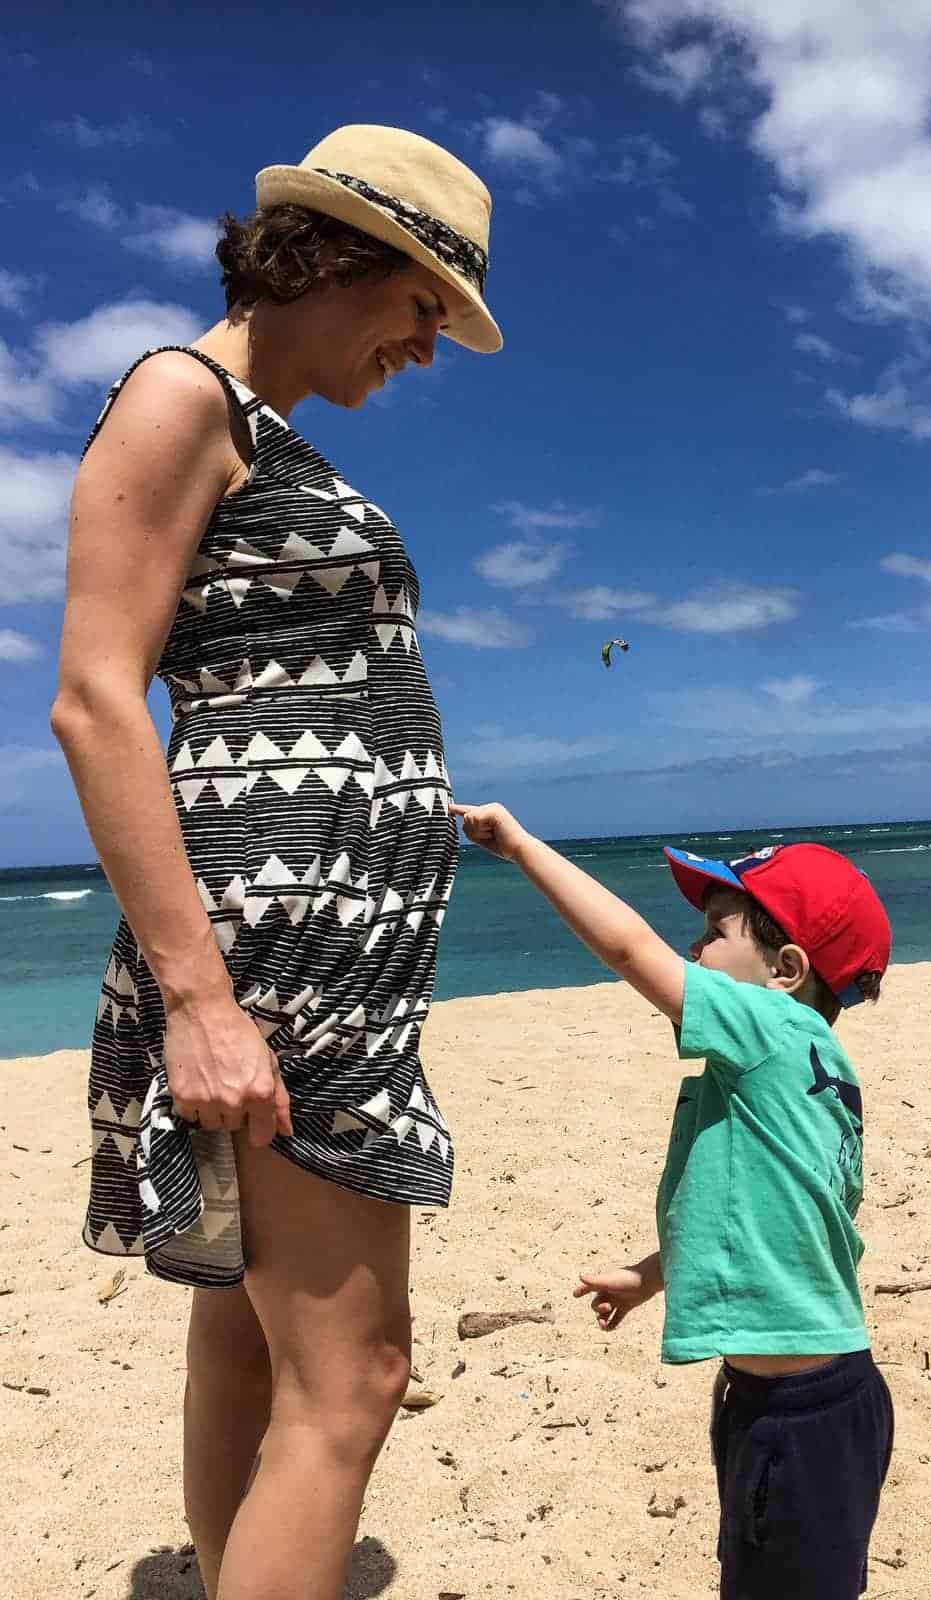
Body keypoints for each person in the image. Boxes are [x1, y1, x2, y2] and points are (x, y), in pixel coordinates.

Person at [51, 125, 502, 1600]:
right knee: (356, 1376)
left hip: (312, 964)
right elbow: (96, 695)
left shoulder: (259, 426)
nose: (429, 350)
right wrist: (197, 996)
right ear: (343, 259)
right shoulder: (182, 392)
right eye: (426, 306)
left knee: (246, 1332)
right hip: (266, 959)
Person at [451, 802, 895, 1600]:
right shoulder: (821, 1071)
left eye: (719, 932)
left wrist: (519, 847)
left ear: (786, 971)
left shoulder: (764, 1025)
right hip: (818, 1397)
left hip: (795, 1414)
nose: (696, 946)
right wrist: (652, 1273)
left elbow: (628, 948)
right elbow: (782, 1217)